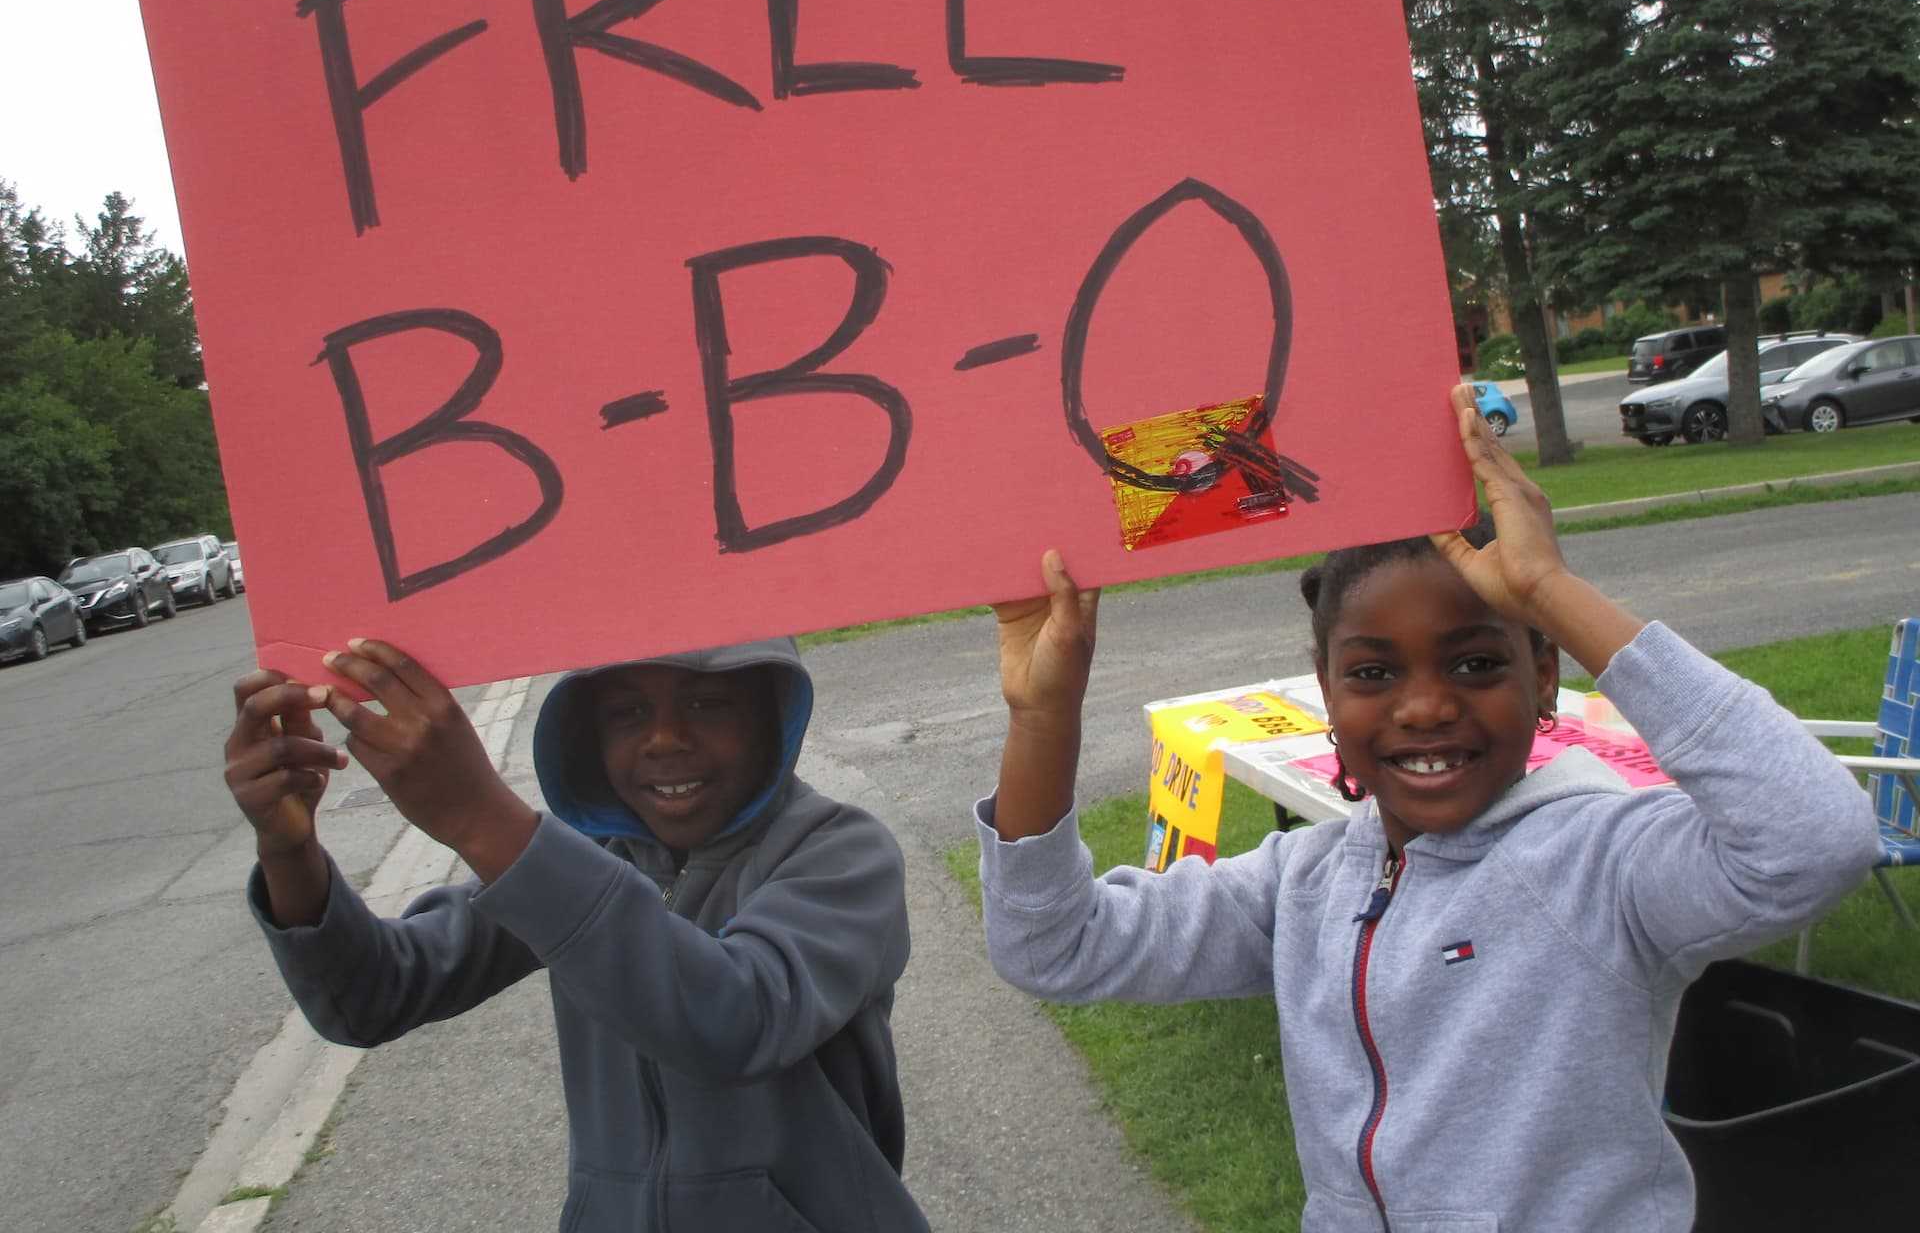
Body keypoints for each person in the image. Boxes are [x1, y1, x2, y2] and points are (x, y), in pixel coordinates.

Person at [975, 383, 1879, 1233]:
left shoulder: (1604, 868)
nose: (1425, 706)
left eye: (1477, 662)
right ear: (1326, 695)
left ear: (1544, 674)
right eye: (1372, 673)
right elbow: (1055, 944)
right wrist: (1042, 716)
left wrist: (1550, 593)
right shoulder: (1304, 886)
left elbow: (1815, 839)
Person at [223, 633, 928, 1233]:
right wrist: (288, 850)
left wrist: (481, 818)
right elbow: (372, 996)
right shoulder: (589, 862)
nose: (664, 739)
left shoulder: (840, 853)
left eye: (709, 703)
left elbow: (736, 1016)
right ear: (586, 741)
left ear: (774, 719)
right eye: (625, 713)